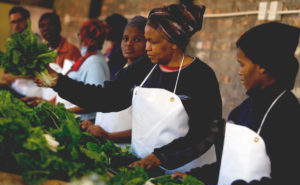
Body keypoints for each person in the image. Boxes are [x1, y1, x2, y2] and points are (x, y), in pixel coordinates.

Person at [35, 3, 222, 174]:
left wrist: (162, 157)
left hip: (184, 172)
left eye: (153, 42)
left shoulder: (200, 76)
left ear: (175, 42)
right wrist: (59, 82)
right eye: (146, 40)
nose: (147, 47)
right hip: (141, 166)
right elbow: (106, 97)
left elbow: (206, 131)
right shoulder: (144, 67)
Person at [172, 22, 300, 185]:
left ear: (262, 66)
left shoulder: (289, 115)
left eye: (242, 64)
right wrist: (194, 177)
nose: (239, 72)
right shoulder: (242, 112)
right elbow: (228, 164)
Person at [80, 16, 147, 145]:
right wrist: (95, 126)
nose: (129, 43)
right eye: (125, 39)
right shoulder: (123, 70)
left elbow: (146, 129)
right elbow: (106, 101)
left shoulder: (148, 78)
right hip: (106, 146)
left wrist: (108, 135)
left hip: (125, 151)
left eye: (137, 39)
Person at [22, 12, 81, 105]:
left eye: (50, 24)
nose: (46, 28)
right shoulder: (42, 51)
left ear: (59, 27)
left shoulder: (72, 51)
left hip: (64, 106)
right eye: (42, 26)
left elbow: (74, 86)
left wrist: (50, 103)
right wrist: (40, 99)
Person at [0, 6, 42, 98]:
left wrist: (15, 77)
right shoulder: (13, 42)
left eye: (19, 20)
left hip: (30, 91)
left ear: (27, 21)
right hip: (15, 88)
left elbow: (38, 73)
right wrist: (7, 79)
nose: (16, 25)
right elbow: (7, 74)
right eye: (13, 22)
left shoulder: (35, 41)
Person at [104, 13, 128, 80]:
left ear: (115, 28)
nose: (104, 30)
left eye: (107, 27)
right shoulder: (110, 49)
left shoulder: (121, 51)